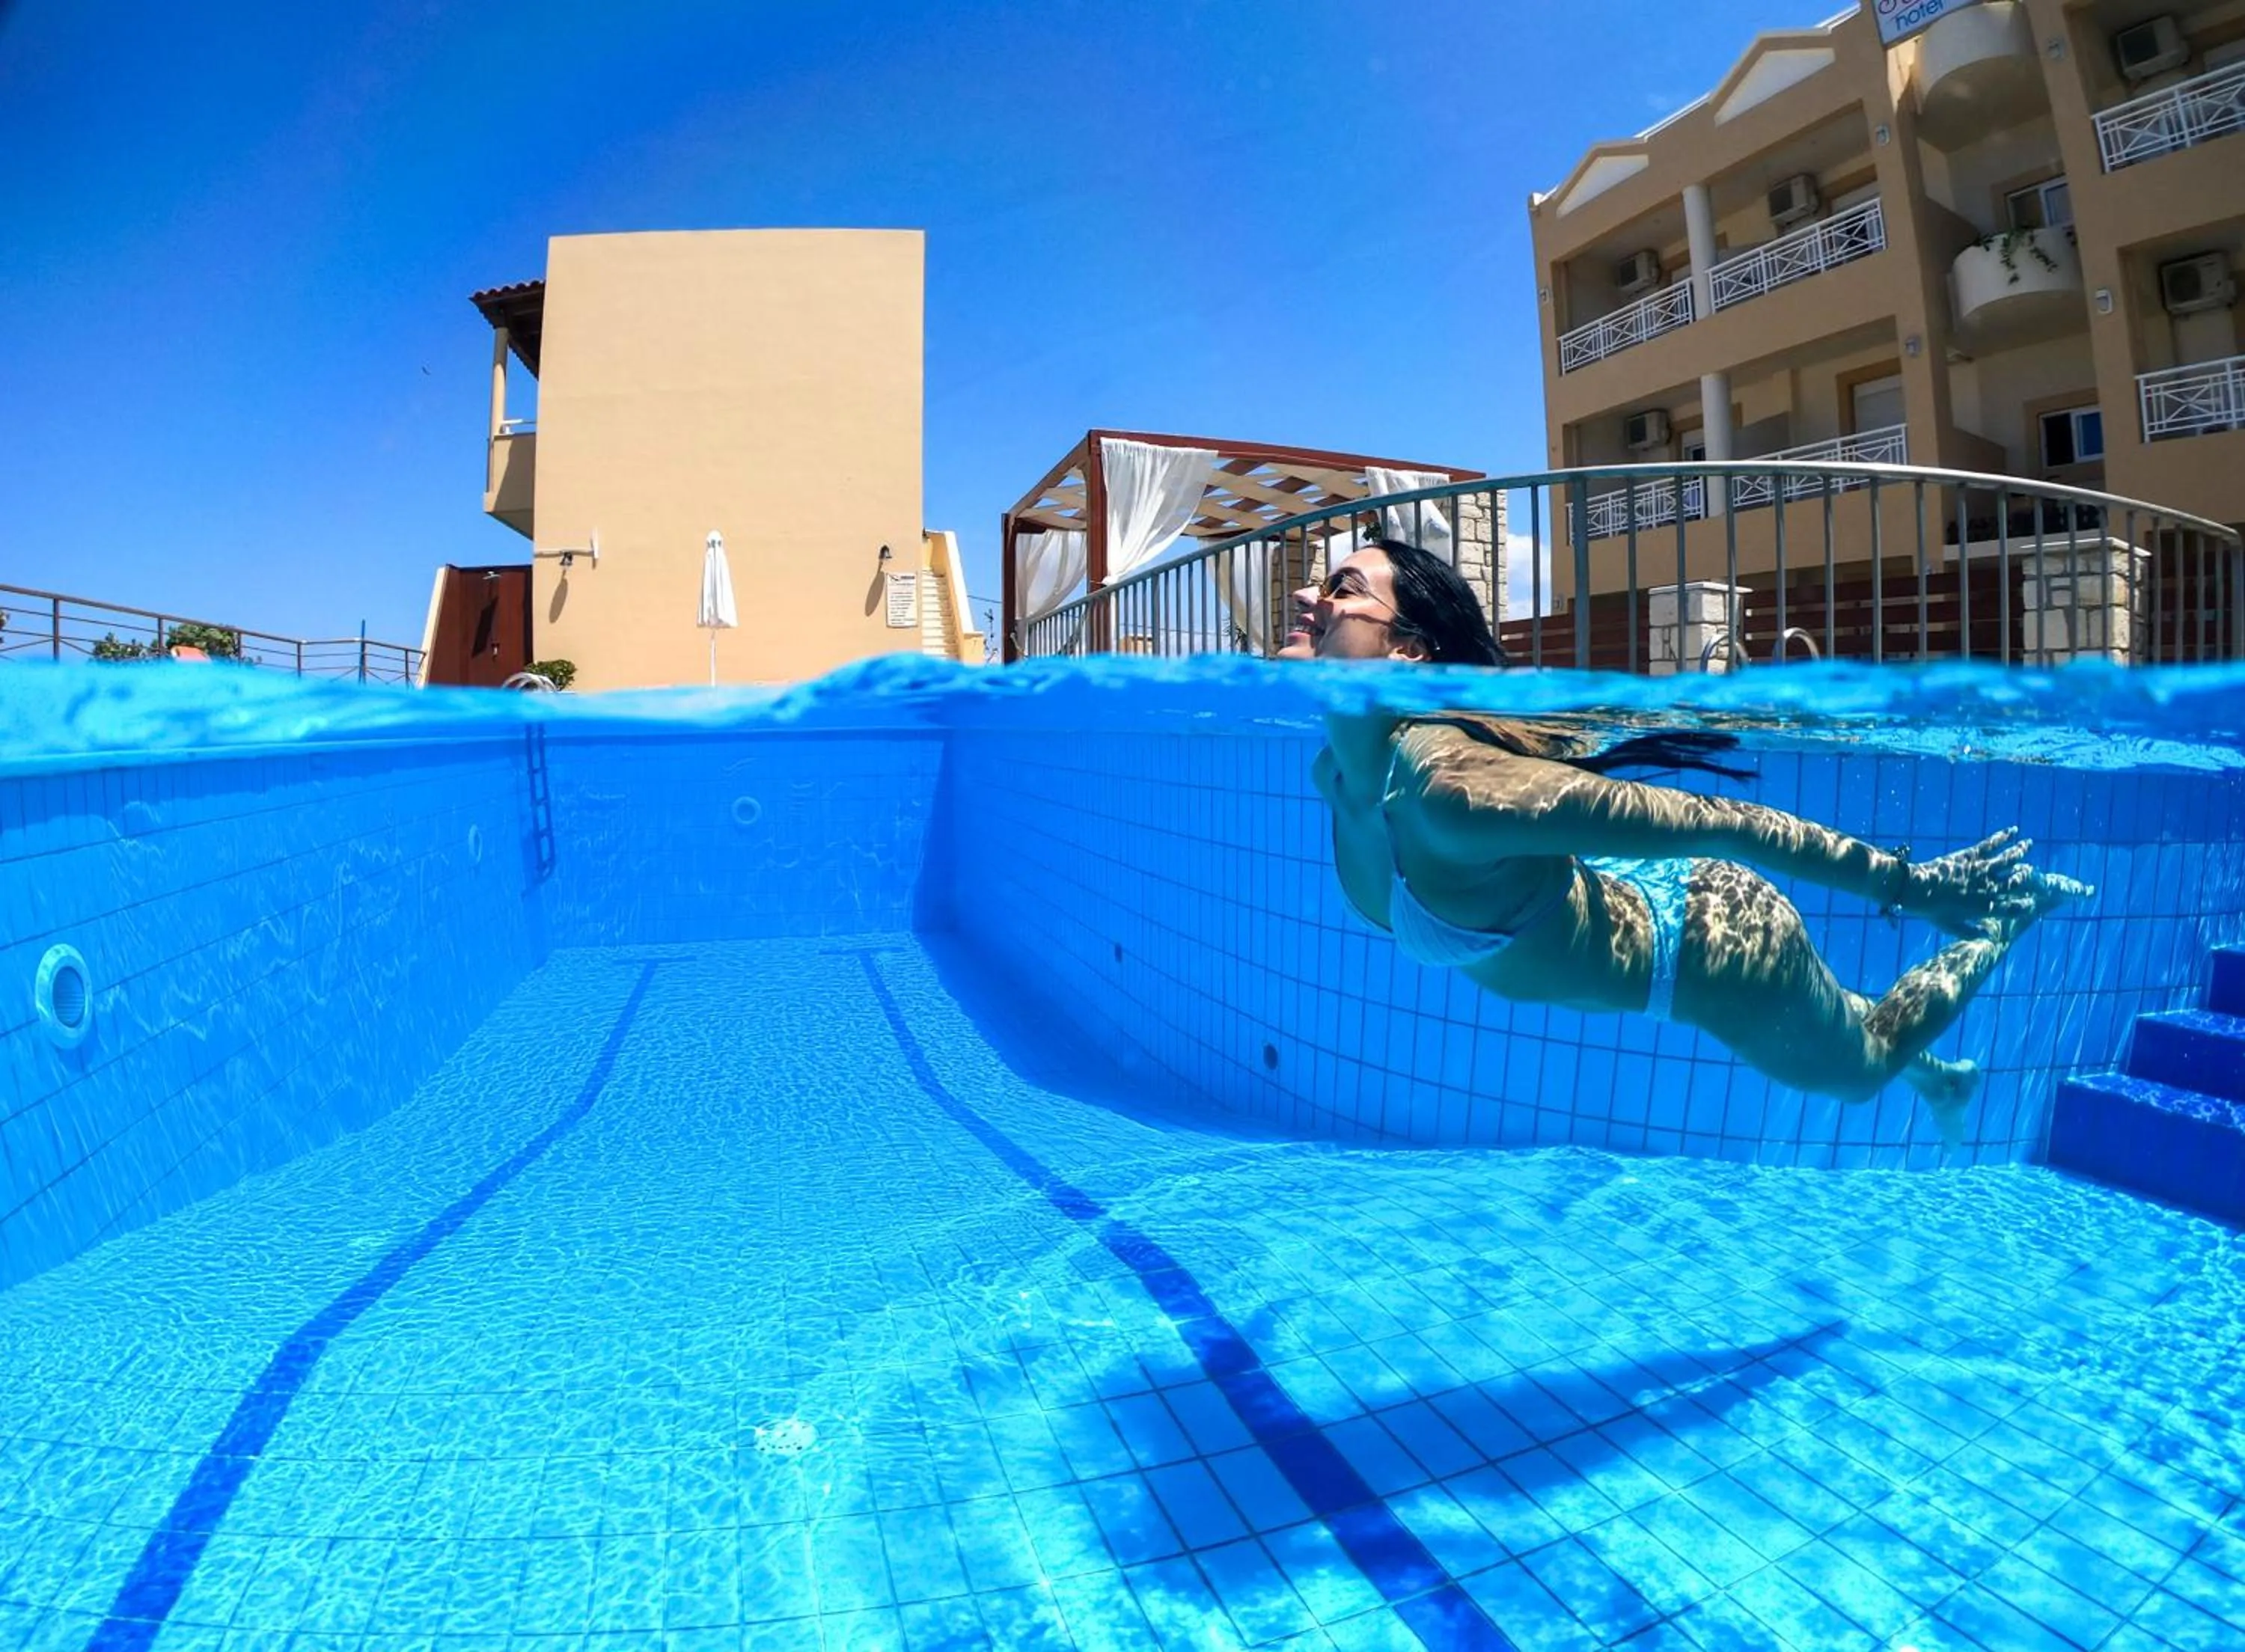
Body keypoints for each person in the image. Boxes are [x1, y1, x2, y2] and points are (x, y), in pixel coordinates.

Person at [1279, 537, 2087, 1136]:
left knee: (1861, 1067)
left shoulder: (1452, 794)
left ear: (1408, 650)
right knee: (1838, 1019)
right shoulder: (1339, 772)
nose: (1312, 600)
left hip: (1706, 954)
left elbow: (1722, 821)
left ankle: (2003, 922)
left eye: (1344, 589)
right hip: (1658, 912)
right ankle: (1943, 1081)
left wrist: (1912, 888)